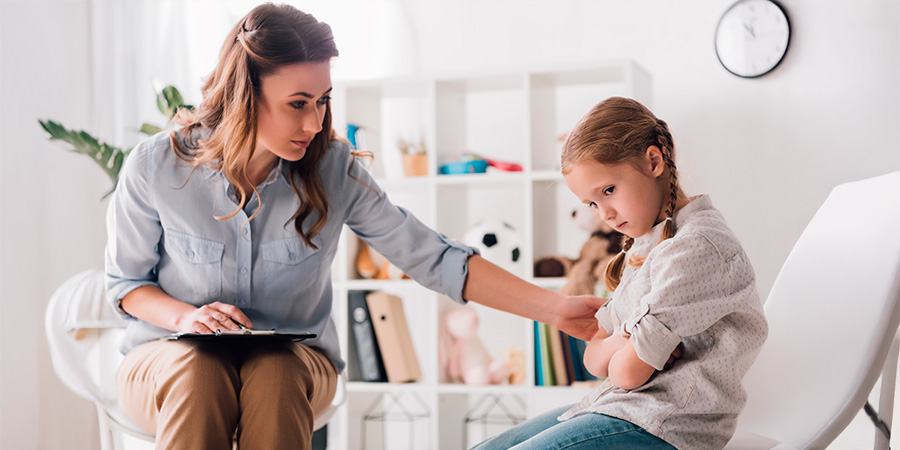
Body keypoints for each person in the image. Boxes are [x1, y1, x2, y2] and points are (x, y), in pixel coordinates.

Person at [105, 4, 604, 450]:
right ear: (244, 96)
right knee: (200, 372)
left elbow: (432, 257)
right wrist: (186, 319)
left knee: (276, 371)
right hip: (165, 362)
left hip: (296, 364)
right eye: (297, 103)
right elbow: (126, 286)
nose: (315, 123)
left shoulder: (333, 169)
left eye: (323, 100)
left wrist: (557, 309)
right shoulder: (156, 166)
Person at [472, 97, 768, 450]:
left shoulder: (698, 248)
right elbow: (594, 359)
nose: (605, 215)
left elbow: (626, 373)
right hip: (621, 408)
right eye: (593, 203)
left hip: (666, 426)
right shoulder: (646, 243)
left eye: (609, 190)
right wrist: (625, 341)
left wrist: (619, 347)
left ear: (654, 161)